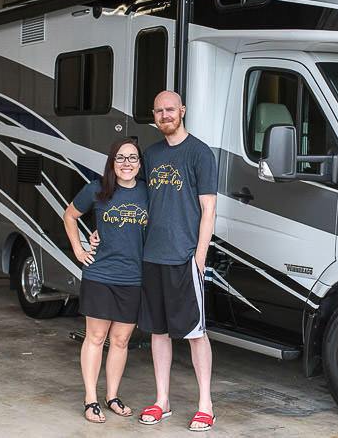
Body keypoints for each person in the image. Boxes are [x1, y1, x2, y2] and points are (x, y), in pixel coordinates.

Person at [138, 90, 218, 431]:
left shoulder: (200, 153)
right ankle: (162, 401)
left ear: (182, 110)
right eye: (159, 111)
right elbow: (136, 201)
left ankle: (205, 404)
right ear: (153, 115)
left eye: (170, 109)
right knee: (159, 331)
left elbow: (209, 208)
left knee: (195, 332)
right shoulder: (150, 154)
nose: (165, 115)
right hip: (152, 256)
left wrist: (199, 257)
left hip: (185, 258)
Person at [63, 137, 148, 423]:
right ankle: (90, 399)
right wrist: (78, 249)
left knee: (121, 341)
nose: (127, 163)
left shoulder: (148, 194)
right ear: (112, 162)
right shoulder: (97, 189)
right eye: (120, 158)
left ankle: (112, 396)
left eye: (132, 158)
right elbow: (70, 215)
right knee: (96, 337)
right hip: (100, 275)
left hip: (133, 278)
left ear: (139, 163)